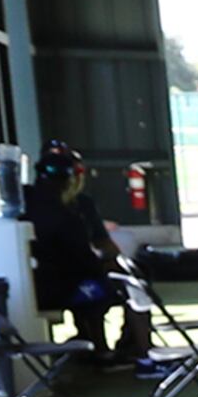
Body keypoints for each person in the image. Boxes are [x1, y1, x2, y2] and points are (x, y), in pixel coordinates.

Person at [26, 139, 144, 357]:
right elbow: (85, 258)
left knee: (102, 284)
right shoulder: (66, 215)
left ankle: (104, 345)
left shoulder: (36, 202)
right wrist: (107, 266)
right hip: (63, 286)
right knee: (127, 287)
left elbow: (98, 246)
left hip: (49, 285)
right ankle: (131, 351)